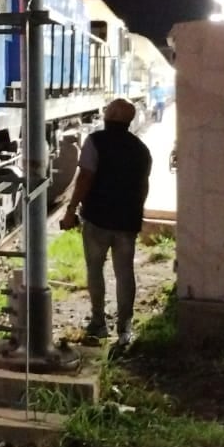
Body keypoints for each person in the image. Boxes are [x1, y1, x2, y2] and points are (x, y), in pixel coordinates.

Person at [60, 97, 152, 347]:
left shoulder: (95, 141)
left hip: (98, 220)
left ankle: (99, 322)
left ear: (107, 116)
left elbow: (85, 178)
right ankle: (124, 329)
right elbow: (143, 188)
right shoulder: (141, 150)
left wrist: (71, 210)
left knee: (95, 270)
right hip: (126, 223)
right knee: (124, 273)